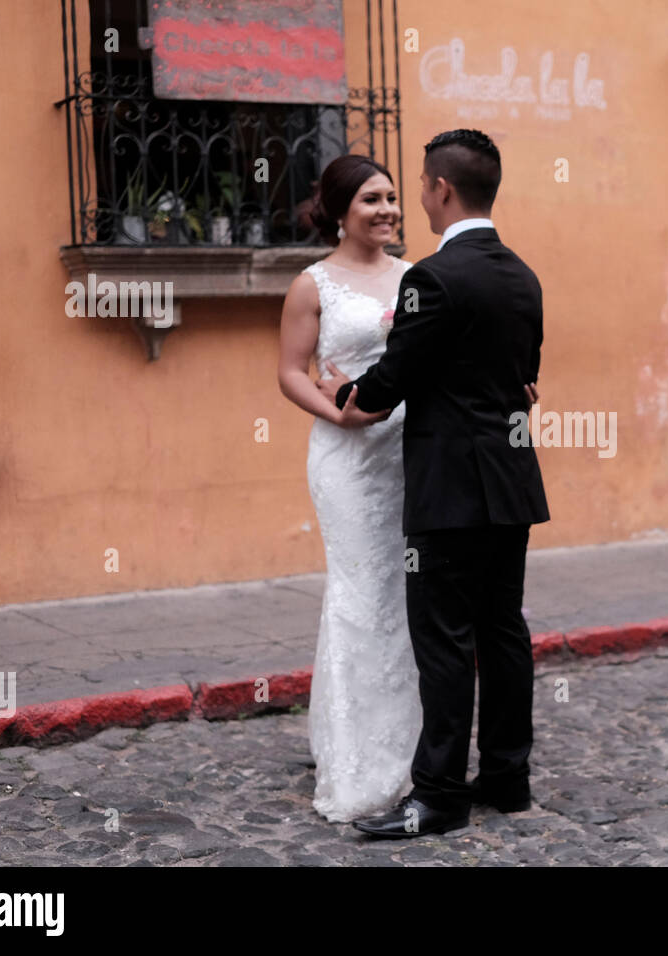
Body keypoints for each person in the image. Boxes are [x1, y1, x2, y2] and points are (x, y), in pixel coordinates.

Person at [317, 129, 550, 839]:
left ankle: (440, 795)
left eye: (419, 184)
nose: (415, 196)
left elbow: (391, 383)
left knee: (445, 640)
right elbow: (523, 377)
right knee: (503, 630)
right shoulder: (522, 274)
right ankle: (508, 779)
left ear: (441, 189)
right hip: (510, 482)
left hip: (451, 488)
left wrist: (343, 390)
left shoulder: (434, 278)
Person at [277, 153, 419, 823]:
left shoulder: (417, 278)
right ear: (340, 210)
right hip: (345, 456)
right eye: (371, 199)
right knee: (360, 595)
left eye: (392, 196)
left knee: (402, 597)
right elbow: (290, 371)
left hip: (408, 454)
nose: (387, 209)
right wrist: (341, 414)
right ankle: (357, 760)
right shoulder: (313, 284)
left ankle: (407, 748)